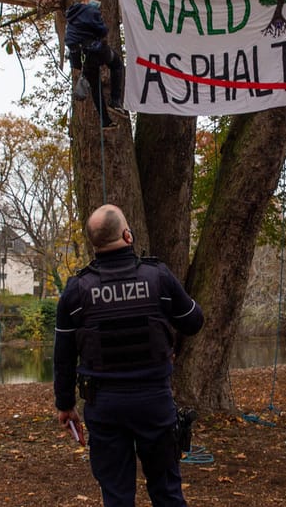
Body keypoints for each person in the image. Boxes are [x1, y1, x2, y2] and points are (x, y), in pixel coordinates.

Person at [54, 205, 205, 507]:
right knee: (166, 491)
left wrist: (65, 405)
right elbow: (193, 321)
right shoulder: (158, 277)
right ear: (127, 234)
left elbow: (63, 355)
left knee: (117, 495)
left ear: (93, 244)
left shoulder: (76, 291)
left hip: (104, 406)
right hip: (154, 403)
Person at [64, 0, 126, 128]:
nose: (96, 2)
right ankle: (115, 100)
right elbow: (102, 30)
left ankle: (105, 121)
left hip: (77, 57)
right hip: (93, 51)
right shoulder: (90, 10)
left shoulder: (72, 13)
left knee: (96, 86)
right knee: (117, 64)